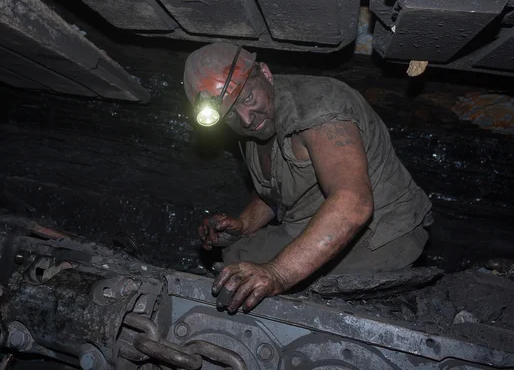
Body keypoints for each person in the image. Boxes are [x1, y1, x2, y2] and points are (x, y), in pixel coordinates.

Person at [183, 43, 432, 313]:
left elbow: (353, 203)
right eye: (229, 113)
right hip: (314, 223)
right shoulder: (259, 126)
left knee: (290, 297)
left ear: (265, 73)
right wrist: (244, 224)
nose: (245, 119)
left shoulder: (319, 110)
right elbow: (279, 191)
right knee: (236, 261)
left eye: (246, 98)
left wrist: (277, 274)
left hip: (382, 234)